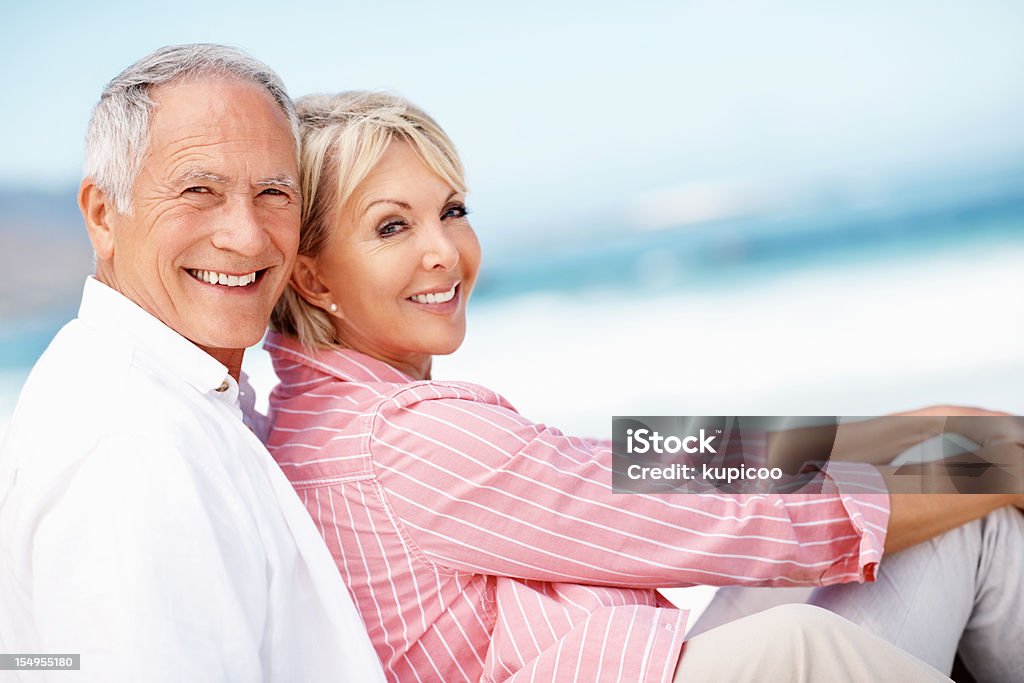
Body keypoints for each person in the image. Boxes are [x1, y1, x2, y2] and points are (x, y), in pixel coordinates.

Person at [264, 91, 1023, 682]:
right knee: (963, 497)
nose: (444, 251)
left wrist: (913, 436)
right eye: (392, 227)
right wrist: (981, 453)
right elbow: (710, 517)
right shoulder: (400, 438)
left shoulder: (322, 413)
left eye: (452, 210)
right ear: (311, 273)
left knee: (960, 475)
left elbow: (628, 468)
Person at [0, 46, 384, 682]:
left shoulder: (198, 405)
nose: (248, 236)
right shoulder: (132, 446)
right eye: (198, 191)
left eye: (274, 193)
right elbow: (598, 492)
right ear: (103, 216)